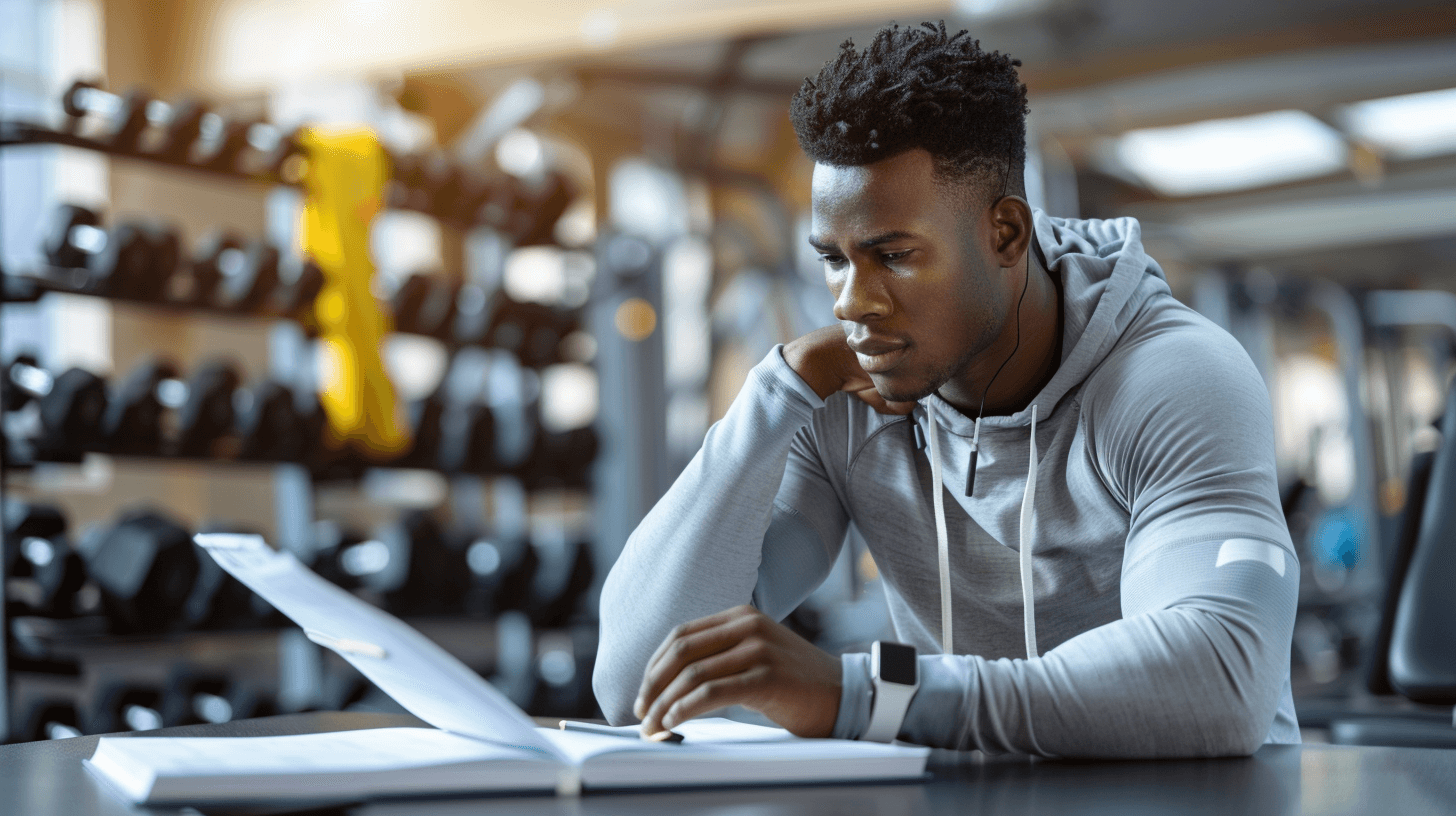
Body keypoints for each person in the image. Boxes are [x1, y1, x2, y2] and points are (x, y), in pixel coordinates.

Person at [594, 21, 1299, 757]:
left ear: (1005, 235)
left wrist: (866, 694)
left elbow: (1223, 681)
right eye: (833, 259)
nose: (850, 301)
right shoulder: (842, 400)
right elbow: (635, 682)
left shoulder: (1169, 378)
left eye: (893, 255)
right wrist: (779, 391)